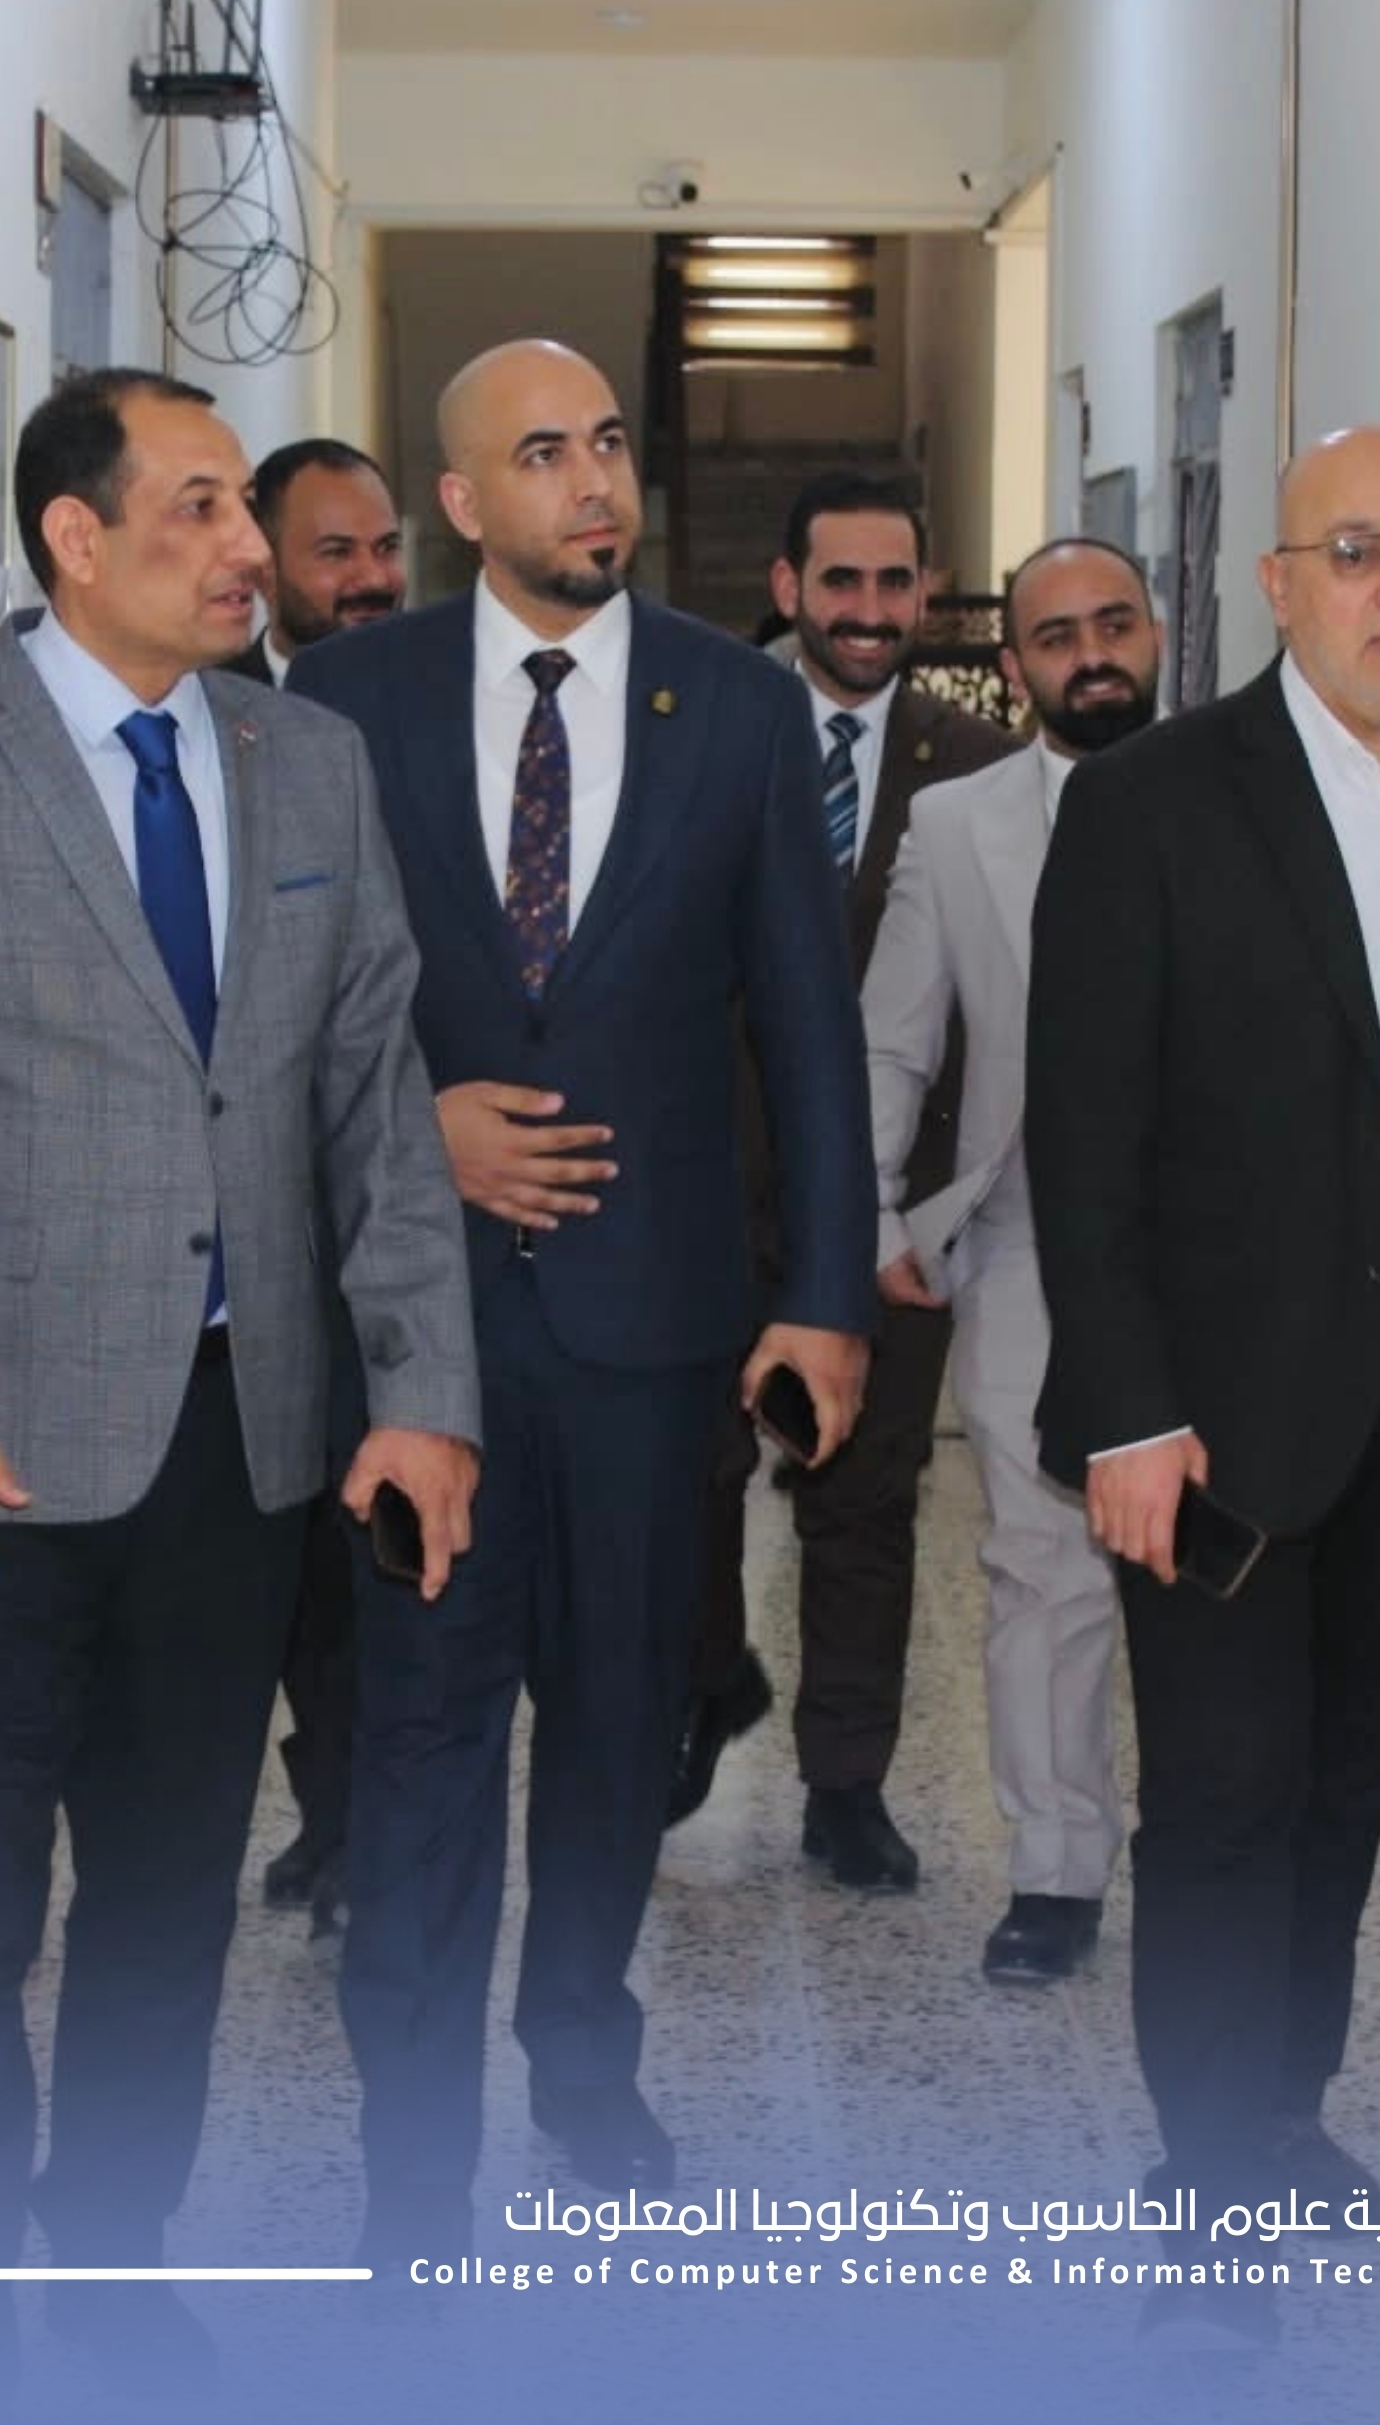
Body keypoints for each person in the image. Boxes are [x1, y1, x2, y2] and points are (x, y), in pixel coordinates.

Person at [0, 365, 481, 2410]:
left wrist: (420, 1387)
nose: (249, 549)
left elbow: (375, 1108)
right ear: (73, 539)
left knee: (166, 1907)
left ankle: (108, 2257)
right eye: (199, 509)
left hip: (239, 1451)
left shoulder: (306, 765)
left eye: (246, 508)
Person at [292, 339, 875, 2261]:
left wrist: (823, 1297)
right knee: (421, 1735)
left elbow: (804, 1026)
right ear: (462, 503)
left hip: (654, 1325)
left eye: (607, 443)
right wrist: (417, 1131)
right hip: (422, 1333)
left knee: (622, 1723)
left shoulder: (737, 708)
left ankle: (578, 2045)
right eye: (542, 454)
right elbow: (286, 1010)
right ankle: (409, 2162)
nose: (593, 481)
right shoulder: (344, 701)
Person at [1027, 427, 1380, 2350]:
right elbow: (1080, 1139)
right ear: (1275, 585)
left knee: (1352, 1782)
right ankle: (1203, 2200)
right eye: (1352, 552)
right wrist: (1122, 1409)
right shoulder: (1157, 804)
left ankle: (1276, 2111)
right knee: (1225, 1803)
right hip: (1209, 1403)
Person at [674, 474, 1023, 1892]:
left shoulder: (980, 765)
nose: (871, 612)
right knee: (687, 1480)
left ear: (925, 593)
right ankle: (705, 1688)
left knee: (865, 1501)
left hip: (887, 1206)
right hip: (705, 1187)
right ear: (788, 586)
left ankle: (845, 1784)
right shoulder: (700, 727)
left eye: (896, 584)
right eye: (842, 582)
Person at [857, 535, 1162, 1979]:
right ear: (1014, 664)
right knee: (1045, 1569)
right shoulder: (957, 821)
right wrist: (872, 1215)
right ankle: (1054, 1870)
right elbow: (894, 1036)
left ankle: (1214, 1854)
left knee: (1218, 1578)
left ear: (1154, 633)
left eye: (1115, 623)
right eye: (1057, 636)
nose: (1091, 654)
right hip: (1031, 1238)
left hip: (1230, 1257)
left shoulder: (1244, 789)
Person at [221, 437, 414, 1935]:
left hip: (394, 1206)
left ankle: (365, 1825)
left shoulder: (424, 716)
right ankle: (327, 1805)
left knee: (371, 1552)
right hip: (239, 1237)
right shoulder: (207, 724)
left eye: (384, 547)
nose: (369, 580)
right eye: (333, 552)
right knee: (280, 1567)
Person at [234, 436, 407, 690]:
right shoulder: (206, 702)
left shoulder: (454, 683)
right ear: (264, 573)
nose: (375, 579)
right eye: (338, 553)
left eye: (387, 547)